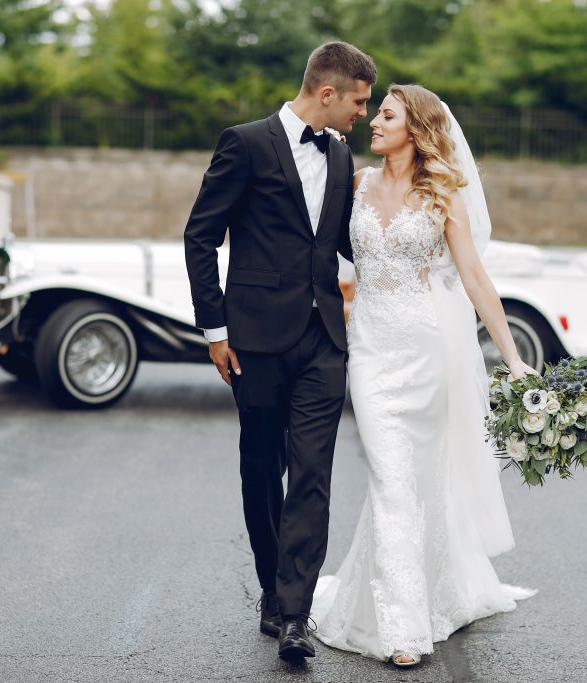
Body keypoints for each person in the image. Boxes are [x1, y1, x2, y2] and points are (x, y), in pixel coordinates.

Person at [309, 84, 537, 667]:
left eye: (386, 115)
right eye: (375, 114)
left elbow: (475, 281)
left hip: (428, 352)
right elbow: (318, 253)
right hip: (372, 352)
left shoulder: (443, 195)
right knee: (390, 477)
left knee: (420, 482)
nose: (373, 124)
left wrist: (513, 360)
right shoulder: (355, 185)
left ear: (417, 129)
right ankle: (404, 628)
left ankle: (430, 593)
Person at [183, 42, 377, 661]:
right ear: (328, 93)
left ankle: (296, 612)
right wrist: (215, 331)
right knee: (262, 469)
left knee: (313, 474)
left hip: (324, 340)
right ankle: (272, 588)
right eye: (359, 101)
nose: (363, 115)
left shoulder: (344, 158)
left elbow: (351, 240)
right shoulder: (244, 143)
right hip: (255, 342)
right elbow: (200, 236)